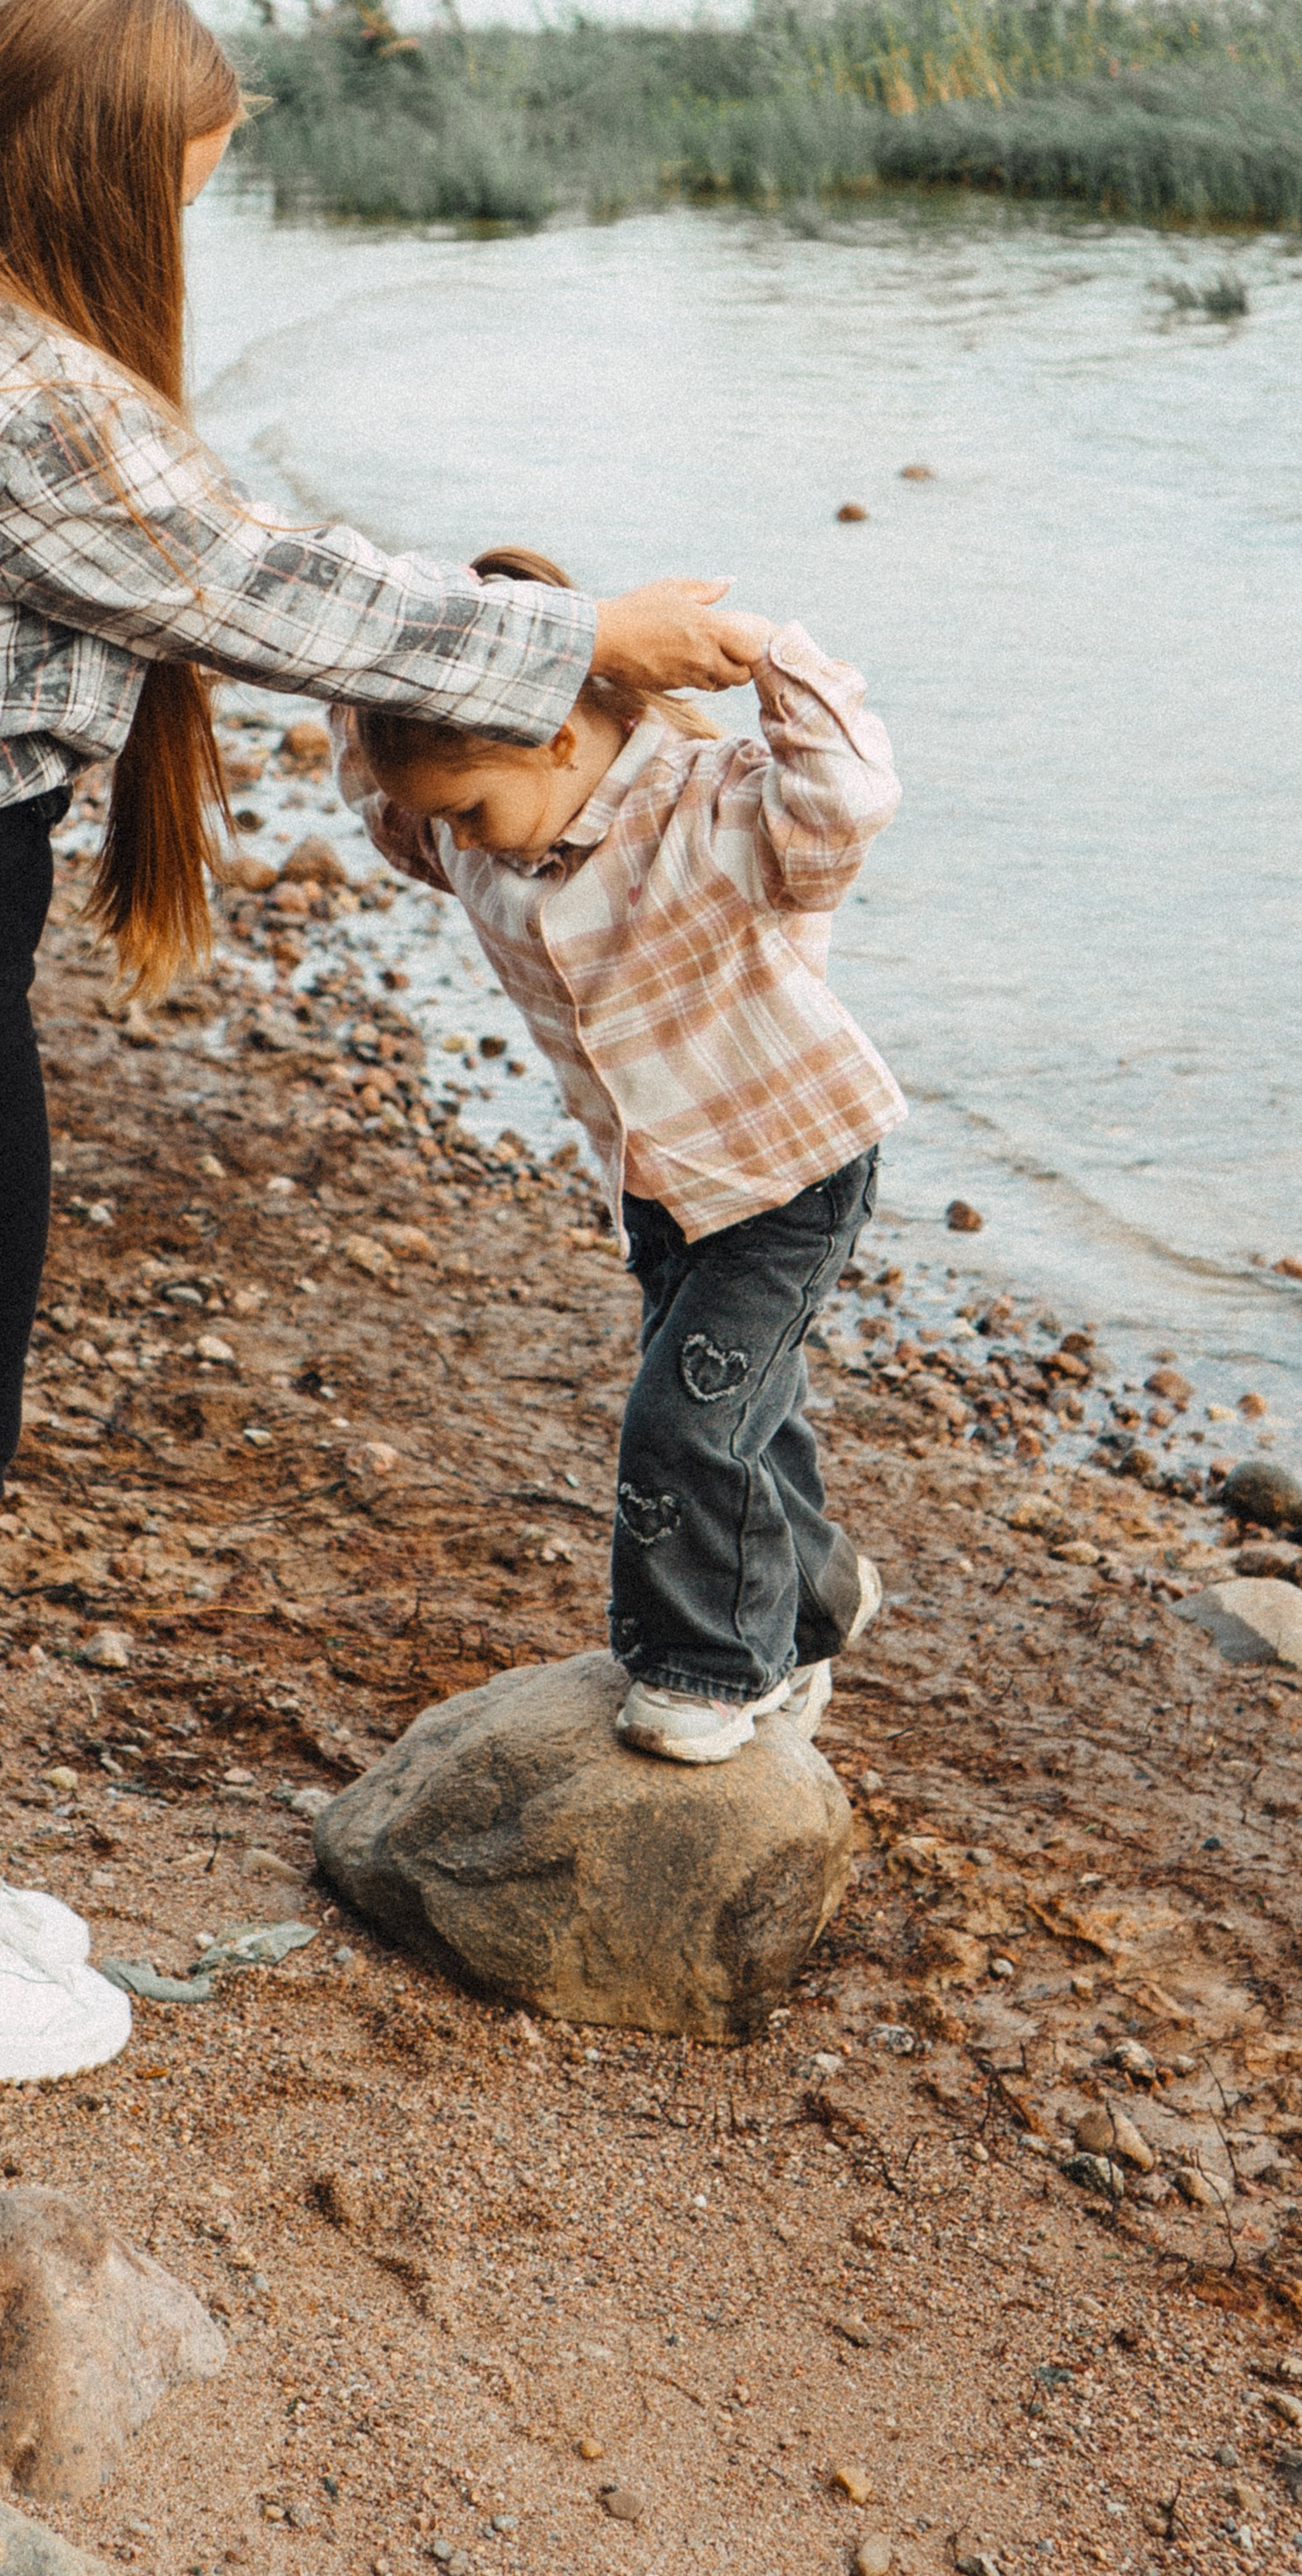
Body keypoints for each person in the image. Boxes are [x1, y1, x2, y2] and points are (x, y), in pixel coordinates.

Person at [0, 0, 759, 2096]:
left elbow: (197, 563)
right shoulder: (17, 390)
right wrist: (583, 630)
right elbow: (260, 585)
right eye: (183, 195)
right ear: (86, 171)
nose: (183, 237)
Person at [333, 547, 905, 1766]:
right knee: (745, 1404)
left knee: (679, 1423)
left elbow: (849, 803)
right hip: (657, 1181)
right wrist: (393, 648)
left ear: (551, 743)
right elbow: (382, 793)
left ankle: (709, 1667)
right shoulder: (475, 835)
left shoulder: (712, 806)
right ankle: (808, 1607)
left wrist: (772, 658)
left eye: (464, 811)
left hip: (785, 1169)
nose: (443, 843)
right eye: (434, 818)